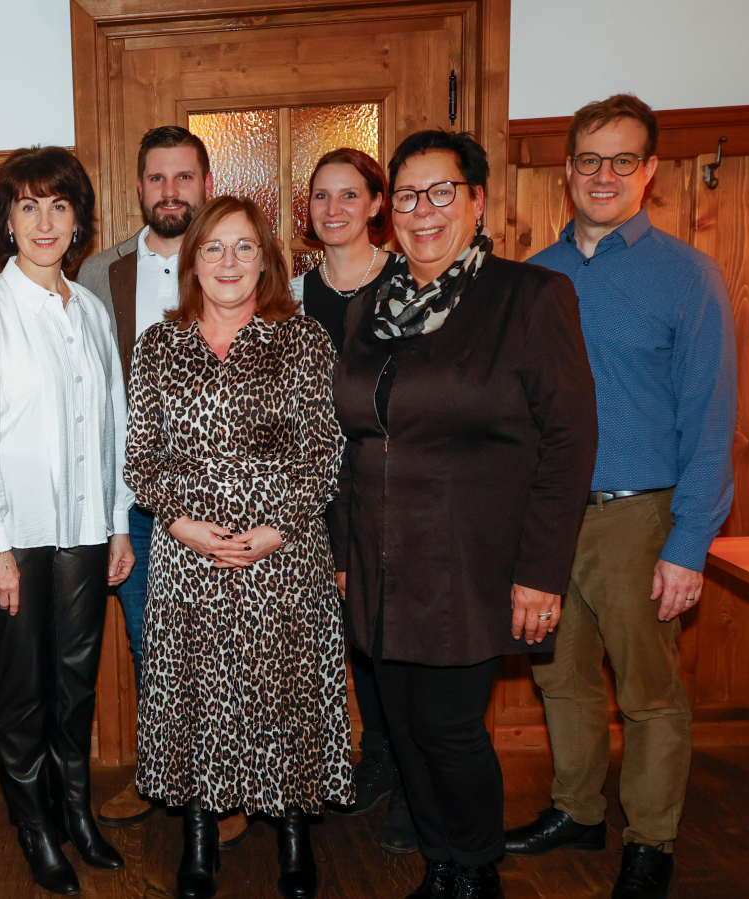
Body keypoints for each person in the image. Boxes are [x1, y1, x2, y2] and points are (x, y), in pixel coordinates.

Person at [333, 130, 598, 899]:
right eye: (409, 195)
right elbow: (355, 442)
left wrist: (541, 574)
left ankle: (478, 871)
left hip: (473, 565)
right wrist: (345, 552)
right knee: (404, 728)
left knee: (450, 728)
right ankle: (440, 862)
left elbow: (569, 441)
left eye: (441, 191)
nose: (423, 211)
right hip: (381, 562)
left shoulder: (528, 297)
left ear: (477, 202)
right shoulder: (373, 309)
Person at [506, 95, 736, 899]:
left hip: (641, 515)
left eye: (623, 160)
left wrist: (688, 543)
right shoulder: (535, 276)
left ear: (652, 172)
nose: (603, 175)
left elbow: (712, 416)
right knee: (558, 675)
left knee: (648, 689)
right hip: (547, 516)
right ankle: (576, 808)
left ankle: (652, 837)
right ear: (567, 171)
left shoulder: (687, 277)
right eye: (590, 160)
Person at [127, 195, 350, 899]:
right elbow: (140, 459)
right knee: (196, 693)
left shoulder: (305, 340)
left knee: (282, 690)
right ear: (191, 259)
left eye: (244, 247)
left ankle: (292, 834)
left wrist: (278, 529)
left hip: (283, 552)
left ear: (267, 260)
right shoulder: (158, 345)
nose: (228, 261)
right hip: (188, 555)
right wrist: (180, 522)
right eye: (214, 247)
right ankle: (198, 834)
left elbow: (325, 452)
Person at [0, 146, 135, 896]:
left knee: (76, 682)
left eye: (59, 205)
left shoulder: (89, 309)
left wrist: (120, 522)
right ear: (6, 221)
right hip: (14, 539)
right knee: (23, 690)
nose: (45, 221)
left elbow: (115, 425)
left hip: (87, 532)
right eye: (28, 206)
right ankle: (34, 825)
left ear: (79, 218)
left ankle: (75, 813)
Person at [80, 125, 249, 844]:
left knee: (230, 644)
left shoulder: (237, 261)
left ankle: (233, 784)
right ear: (140, 185)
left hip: (230, 502)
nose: (171, 191)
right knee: (154, 646)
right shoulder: (100, 273)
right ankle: (168, 780)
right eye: (157, 178)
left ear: (205, 185)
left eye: (185, 177)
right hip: (140, 504)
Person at [291, 147, 416, 853]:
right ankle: (375, 759)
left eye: (348, 195)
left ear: (377, 204)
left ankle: (409, 777)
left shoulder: (410, 283)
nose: (332, 209)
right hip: (317, 498)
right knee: (351, 640)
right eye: (320, 197)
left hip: (393, 490)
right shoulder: (289, 293)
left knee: (396, 640)